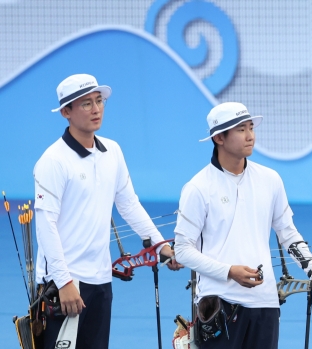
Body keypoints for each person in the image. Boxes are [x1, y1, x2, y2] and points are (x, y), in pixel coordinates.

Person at [33, 74, 181, 349]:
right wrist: (64, 282)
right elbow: (45, 225)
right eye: (86, 104)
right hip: (64, 285)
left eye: (99, 101)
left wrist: (160, 245)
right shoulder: (53, 161)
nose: (96, 109)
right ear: (66, 112)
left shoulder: (112, 151)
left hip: (100, 281)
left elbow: (129, 204)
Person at [173, 102, 312, 349]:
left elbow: (288, 233)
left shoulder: (270, 179)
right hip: (219, 303)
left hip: (265, 303)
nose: (250, 135)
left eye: (251, 127)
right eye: (241, 129)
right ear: (219, 137)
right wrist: (229, 271)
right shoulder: (197, 187)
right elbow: (183, 250)